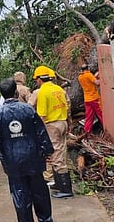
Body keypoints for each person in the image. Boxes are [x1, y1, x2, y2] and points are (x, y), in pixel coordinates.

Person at [0, 78, 54, 222]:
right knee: (40, 193)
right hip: (33, 159)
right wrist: (47, 151)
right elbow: (41, 132)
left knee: (20, 196)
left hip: (13, 163)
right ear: (16, 92)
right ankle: (46, 219)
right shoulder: (28, 109)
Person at [33, 65, 73, 198]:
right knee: (61, 152)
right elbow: (68, 107)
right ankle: (58, 183)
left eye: (36, 79)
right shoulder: (58, 89)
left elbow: (42, 116)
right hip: (63, 123)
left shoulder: (42, 92)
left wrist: (39, 133)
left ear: (39, 79)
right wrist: (69, 123)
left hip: (52, 126)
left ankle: (66, 189)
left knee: (55, 156)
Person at [78, 64, 104, 139]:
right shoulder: (89, 75)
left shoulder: (80, 77)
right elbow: (97, 83)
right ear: (87, 68)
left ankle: (87, 133)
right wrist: (102, 78)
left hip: (87, 99)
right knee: (101, 114)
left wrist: (94, 77)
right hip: (94, 98)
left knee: (89, 117)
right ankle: (106, 129)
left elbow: (89, 82)